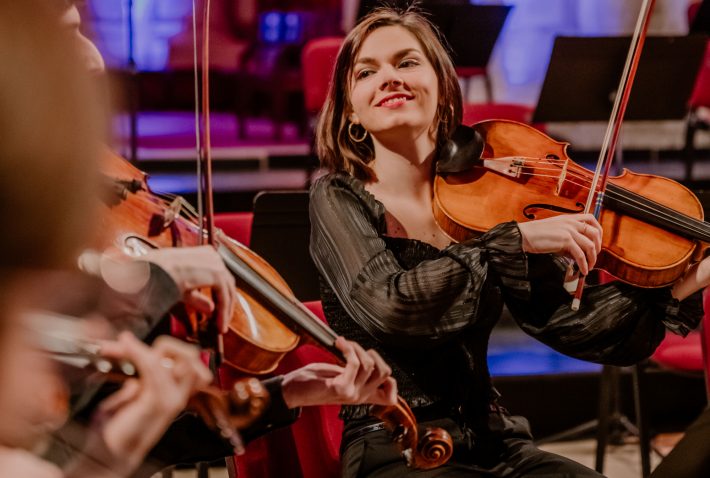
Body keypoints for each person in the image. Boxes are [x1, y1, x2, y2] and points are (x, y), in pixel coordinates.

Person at [309, 6, 709, 477]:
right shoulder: (336, 196)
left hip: (494, 441)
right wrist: (515, 240)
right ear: (351, 108)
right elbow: (391, 305)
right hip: (394, 445)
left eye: (407, 62)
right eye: (367, 71)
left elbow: (571, 326)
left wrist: (681, 282)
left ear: (441, 85)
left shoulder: (492, 202)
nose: (390, 77)